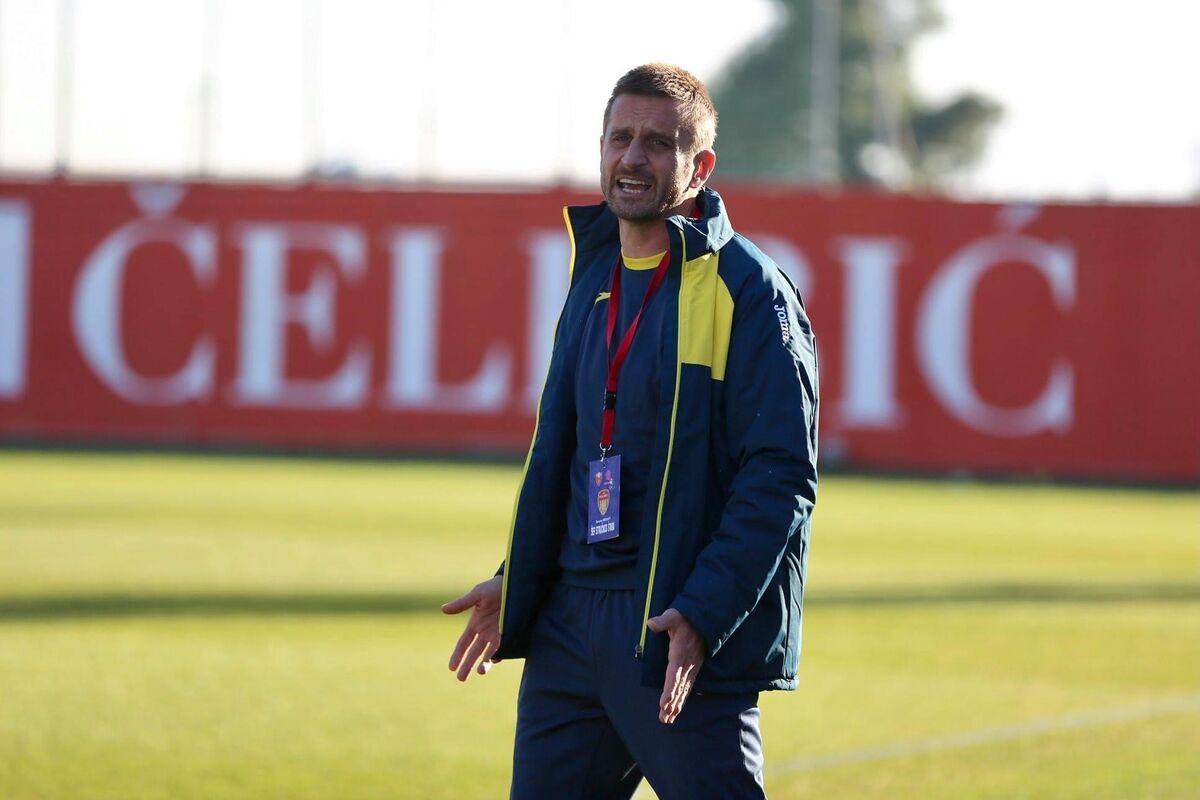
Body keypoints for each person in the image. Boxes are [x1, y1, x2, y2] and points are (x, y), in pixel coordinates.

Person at [442, 63, 819, 799]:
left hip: (672, 630)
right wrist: (521, 577)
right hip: (566, 630)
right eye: (620, 138)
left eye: (658, 142)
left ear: (700, 166)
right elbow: (567, 454)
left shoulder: (750, 291)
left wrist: (704, 613)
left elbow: (780, 479)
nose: (633, 158)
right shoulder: (594, 277)